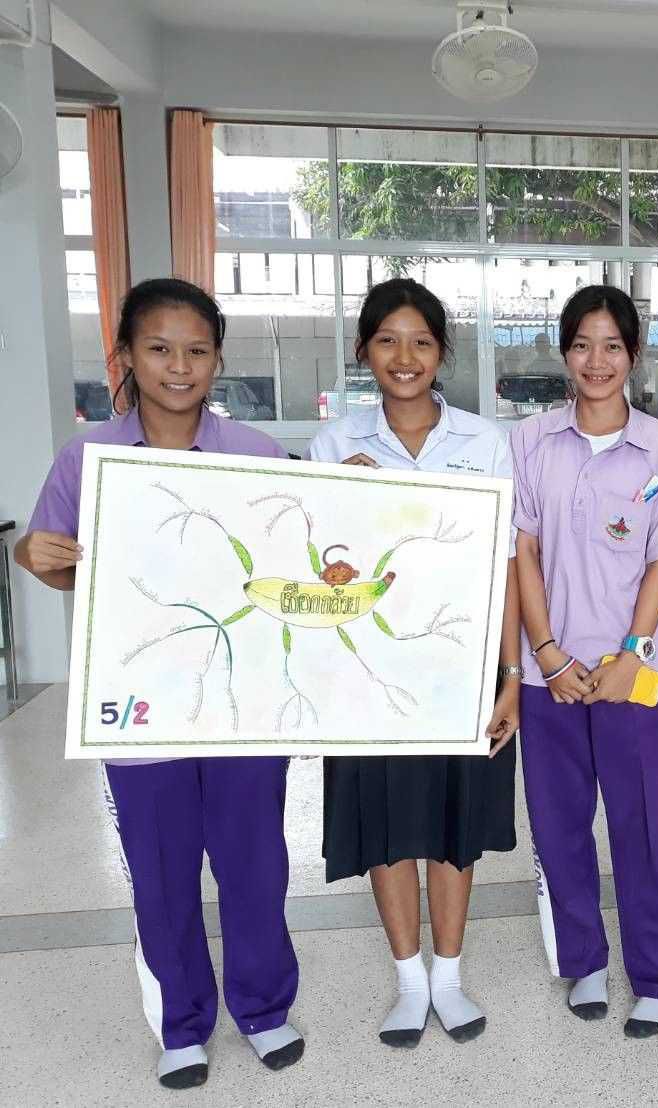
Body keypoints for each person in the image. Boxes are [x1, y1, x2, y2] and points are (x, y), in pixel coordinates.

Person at [16, 278, 304, 1089]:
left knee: (255, 864)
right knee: (161, 869)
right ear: (126, 357)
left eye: (197, 350)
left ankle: (263, 1008)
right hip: (141, 706)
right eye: (159, 348)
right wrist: (32, 555)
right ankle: (182, 1022)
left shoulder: (257, 454)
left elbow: (295, 570)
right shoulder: (88, 460)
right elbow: (55, 559)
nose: (179, 366)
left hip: (243, 702)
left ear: (218, 359)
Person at [308, 278, 522, 1048]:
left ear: (441, 352)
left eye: (421, 342)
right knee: (386, 823)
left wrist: (510, 678)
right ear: (363, 349)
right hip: (366, 668)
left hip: (461, 663)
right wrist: (348, 509)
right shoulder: (335, 445)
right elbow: (318, 569)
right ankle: (408, 981)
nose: (405, 357)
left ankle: (449, 978)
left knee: (455, 820)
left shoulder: (482, 441)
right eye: (388, 341)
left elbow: (505, 563)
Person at [512, 285, 658, 1038]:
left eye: (612, 346)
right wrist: (548, 655)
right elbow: (522, 553)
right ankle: (584, 960)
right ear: (565, 354)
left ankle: (657, 974)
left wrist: (631, 655)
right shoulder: (530, 442)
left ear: (633, 355)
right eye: (583, 345)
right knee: (559, 826)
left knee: (646, 826)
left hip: (634, 674)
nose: (597, 361)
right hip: (547, 675)